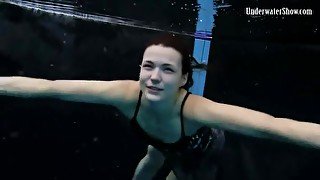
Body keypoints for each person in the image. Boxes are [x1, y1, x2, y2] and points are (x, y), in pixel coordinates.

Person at [0, 34, 319, 180]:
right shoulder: (125, 93)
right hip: (161, 145)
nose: (153, 78)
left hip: (200, 151)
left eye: (167, 70)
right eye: (148, 66)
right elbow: (49, 88)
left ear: (183, 79)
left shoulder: (196, 110)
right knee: (154, 156)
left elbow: (274, 125)